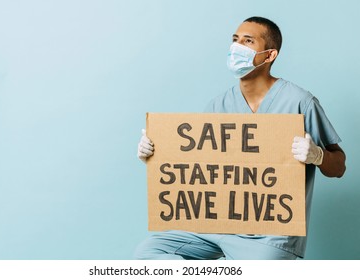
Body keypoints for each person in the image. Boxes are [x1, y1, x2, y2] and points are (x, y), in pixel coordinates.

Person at [134, 16, 346, 260]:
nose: (237, 47)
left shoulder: (300, 101)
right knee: (148, 253)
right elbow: (201, 169)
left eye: (248, 41)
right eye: (235, 40)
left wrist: (317, 155)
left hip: (269, 236)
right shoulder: (218, 105)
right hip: (215, 225)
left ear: (269, 55)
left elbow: (339, 167)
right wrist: (155, 156)